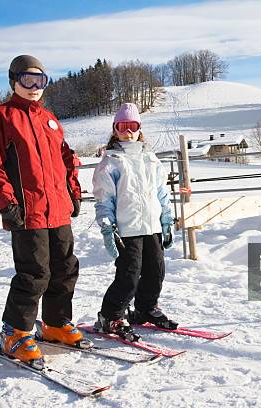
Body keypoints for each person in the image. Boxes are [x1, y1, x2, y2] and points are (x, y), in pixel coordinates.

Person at [0, 55, 84, 366]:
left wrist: (73, 192)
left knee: (65, 269)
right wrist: (7, 203)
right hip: (27, 212)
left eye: (41, 81)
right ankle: (15, 332)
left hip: (57, 210)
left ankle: (55, 324)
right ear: (14, 80)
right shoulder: (1, 117)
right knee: (34, 274)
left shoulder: (49, 119)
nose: (34, 87)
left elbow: (67, 160)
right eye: (28, 80)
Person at [92, 102, 177, 342]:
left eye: (133, 126)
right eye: (122, 126)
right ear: (115, 129)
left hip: (151, 226)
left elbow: (161, 192)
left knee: (156, 270)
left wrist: (167, 219)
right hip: (127, 229)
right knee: (129, 275)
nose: (127, 131)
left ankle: (145, 308)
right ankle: (110, 315)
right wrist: (108, 228)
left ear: (140, 129)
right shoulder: (111, 162)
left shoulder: (150, 159)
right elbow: (104, 199)